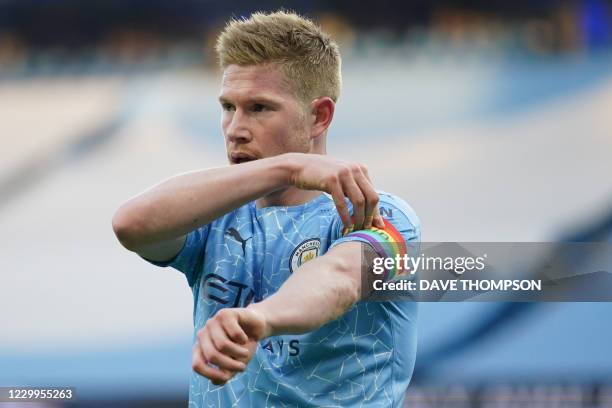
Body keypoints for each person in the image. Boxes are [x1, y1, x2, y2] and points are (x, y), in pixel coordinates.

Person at [112, 10, 420, 407]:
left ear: (319, 116)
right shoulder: (215, 216)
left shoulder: (384, 217)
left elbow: (338, 279)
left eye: (259, 108)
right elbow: (131, 224)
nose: (235, 127)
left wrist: (259, 319)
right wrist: (288, 167)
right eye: (228, 106)